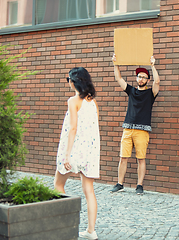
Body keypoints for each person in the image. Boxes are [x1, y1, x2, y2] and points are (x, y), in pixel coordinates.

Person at [54, 67, 100, 240]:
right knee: (89, 189)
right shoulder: (92, 102)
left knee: (58, 185)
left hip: (74, 149)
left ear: (74, 82)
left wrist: (67, 155)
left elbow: (73, 128)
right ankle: (91, 231)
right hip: (90, 151)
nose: (68, 82)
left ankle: (64, 225)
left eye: (68, 79)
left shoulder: (73, 101)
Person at [110, 53, 160, 195]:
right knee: (123, 157)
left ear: (147, 80)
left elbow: (157, 82)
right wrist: (115, 64)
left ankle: (139, 185)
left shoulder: (151, 93)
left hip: (142, 131)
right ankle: (120, 184)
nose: (141, 78)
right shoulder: (131, 91)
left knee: (141, 159)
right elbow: (118, 78)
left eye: (144, 77)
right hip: (127, 129)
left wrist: (153, 66)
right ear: (136, 78)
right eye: (139, 76)